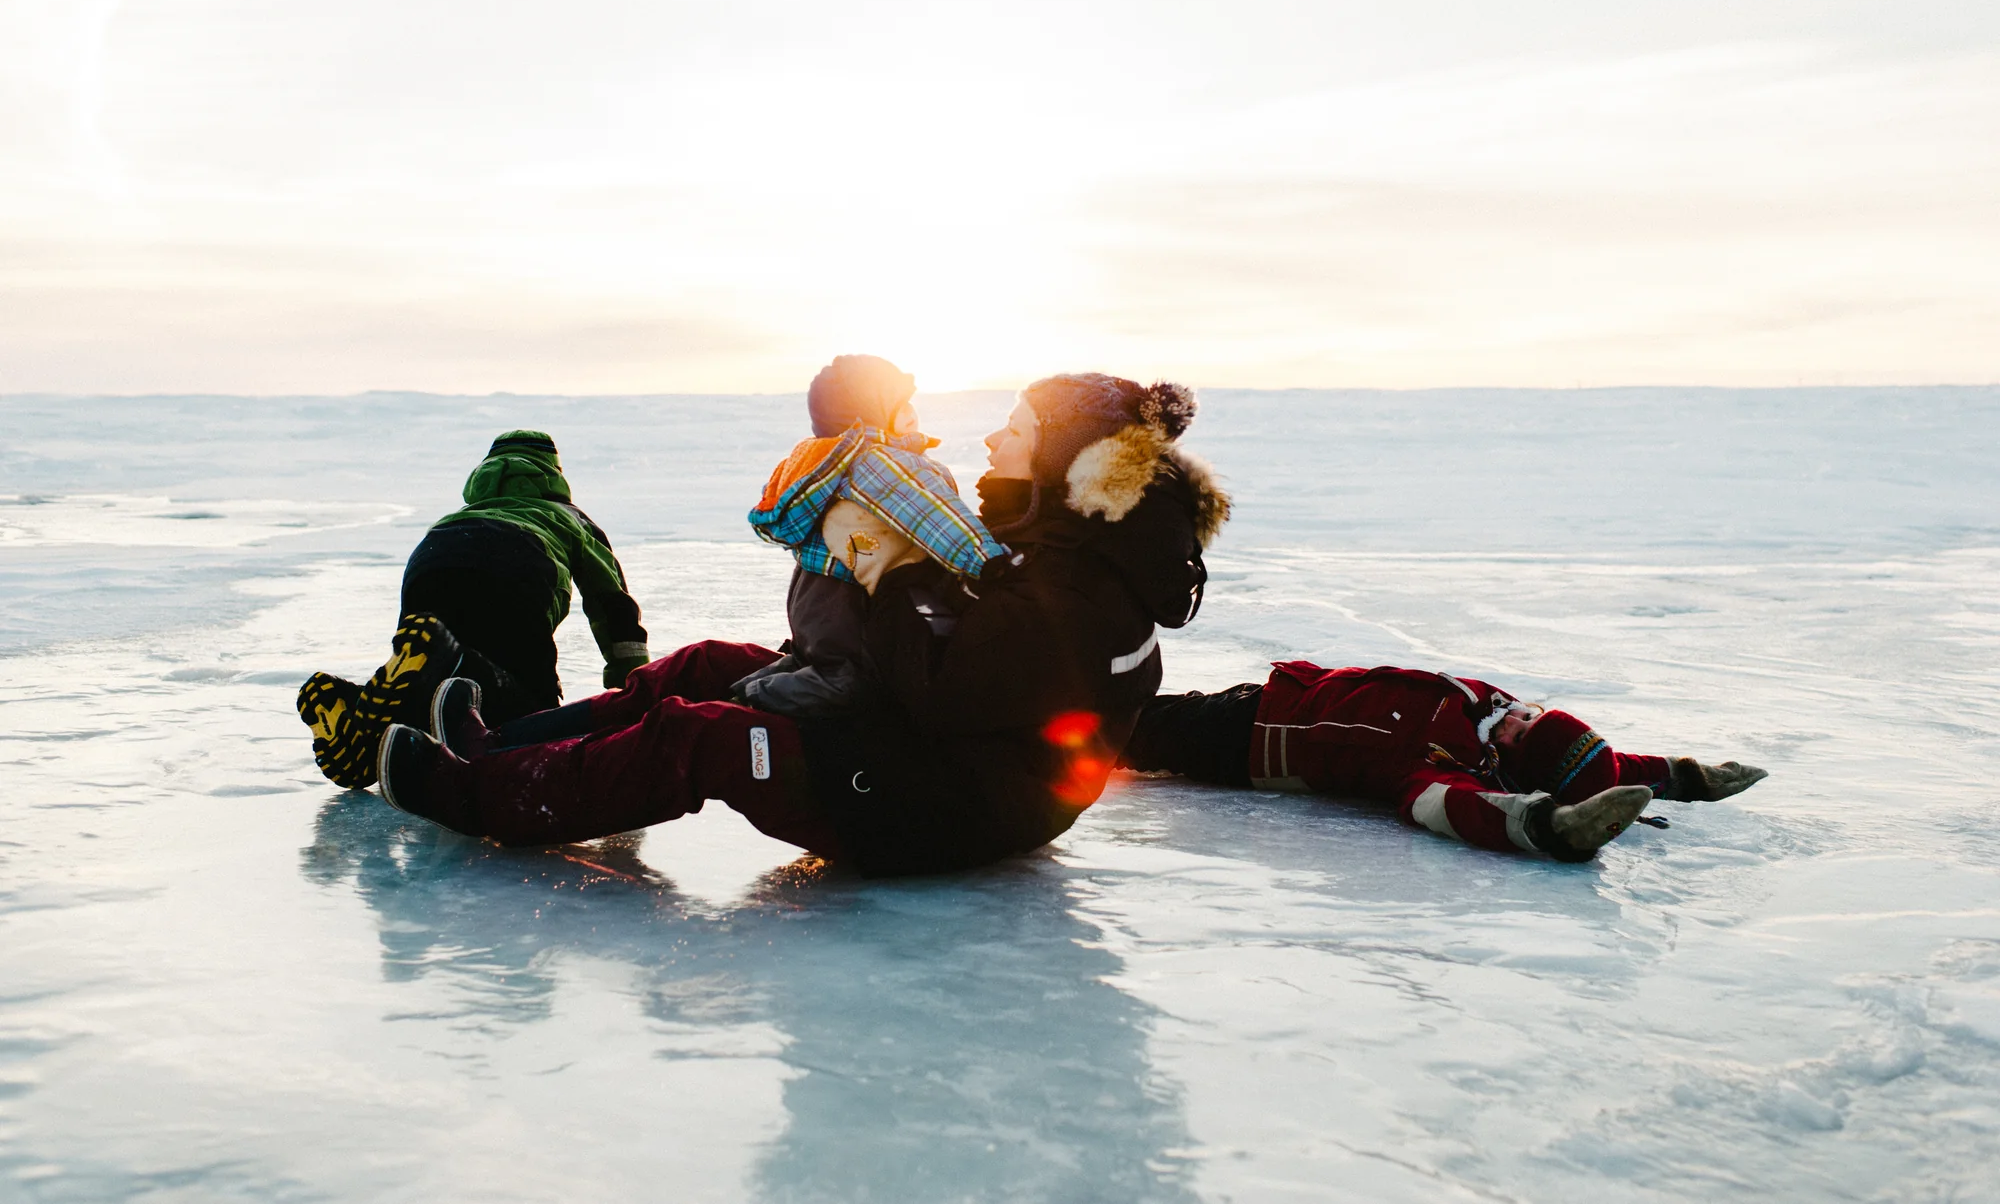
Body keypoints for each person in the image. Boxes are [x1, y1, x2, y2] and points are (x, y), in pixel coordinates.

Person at [369, 373, 1231, 877]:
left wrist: (883, 569)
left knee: (709, 737)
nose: (997, 438)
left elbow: (937, 687)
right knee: (712, 665)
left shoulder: (1081, 594)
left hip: (936, 806)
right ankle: (506, 745)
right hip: (928, 756)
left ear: (1065, 457)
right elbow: (937, 657)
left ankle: (471, 794)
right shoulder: (1053, 543)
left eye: (1020, 429)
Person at [1120, 663, 1768, 860]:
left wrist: (1541, 823)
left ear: (1515, 754)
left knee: (1125, 729)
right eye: (1531, 711)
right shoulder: (1492, 709)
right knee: (1130, 700)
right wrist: (1683, 776)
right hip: (1276, 695)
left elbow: (1445, 804)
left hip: (1256, 743)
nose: (1519, 711)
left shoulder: (1451, 761)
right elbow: (1600, 764)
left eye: (1524, 724)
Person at [297, 429, 649, 789]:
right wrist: (634, 687)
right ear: (554, 475)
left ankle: (358, 710)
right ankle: (442, 654)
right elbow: (612, 604)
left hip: (433, 552)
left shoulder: (466, 511)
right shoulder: (566, 515)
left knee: (434, 697)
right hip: (518, 558)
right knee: (531, 711)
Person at [734, 354, 1005, 716]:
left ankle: (738, 692)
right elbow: (933, 516)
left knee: (812, 659)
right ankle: (752, 701)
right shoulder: (881, 460)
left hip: (811, 592)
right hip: (846, 595)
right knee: (847, 677)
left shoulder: (819, 458)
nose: (911, 411)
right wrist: (987, 561)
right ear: (870, 409)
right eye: (899, 403)